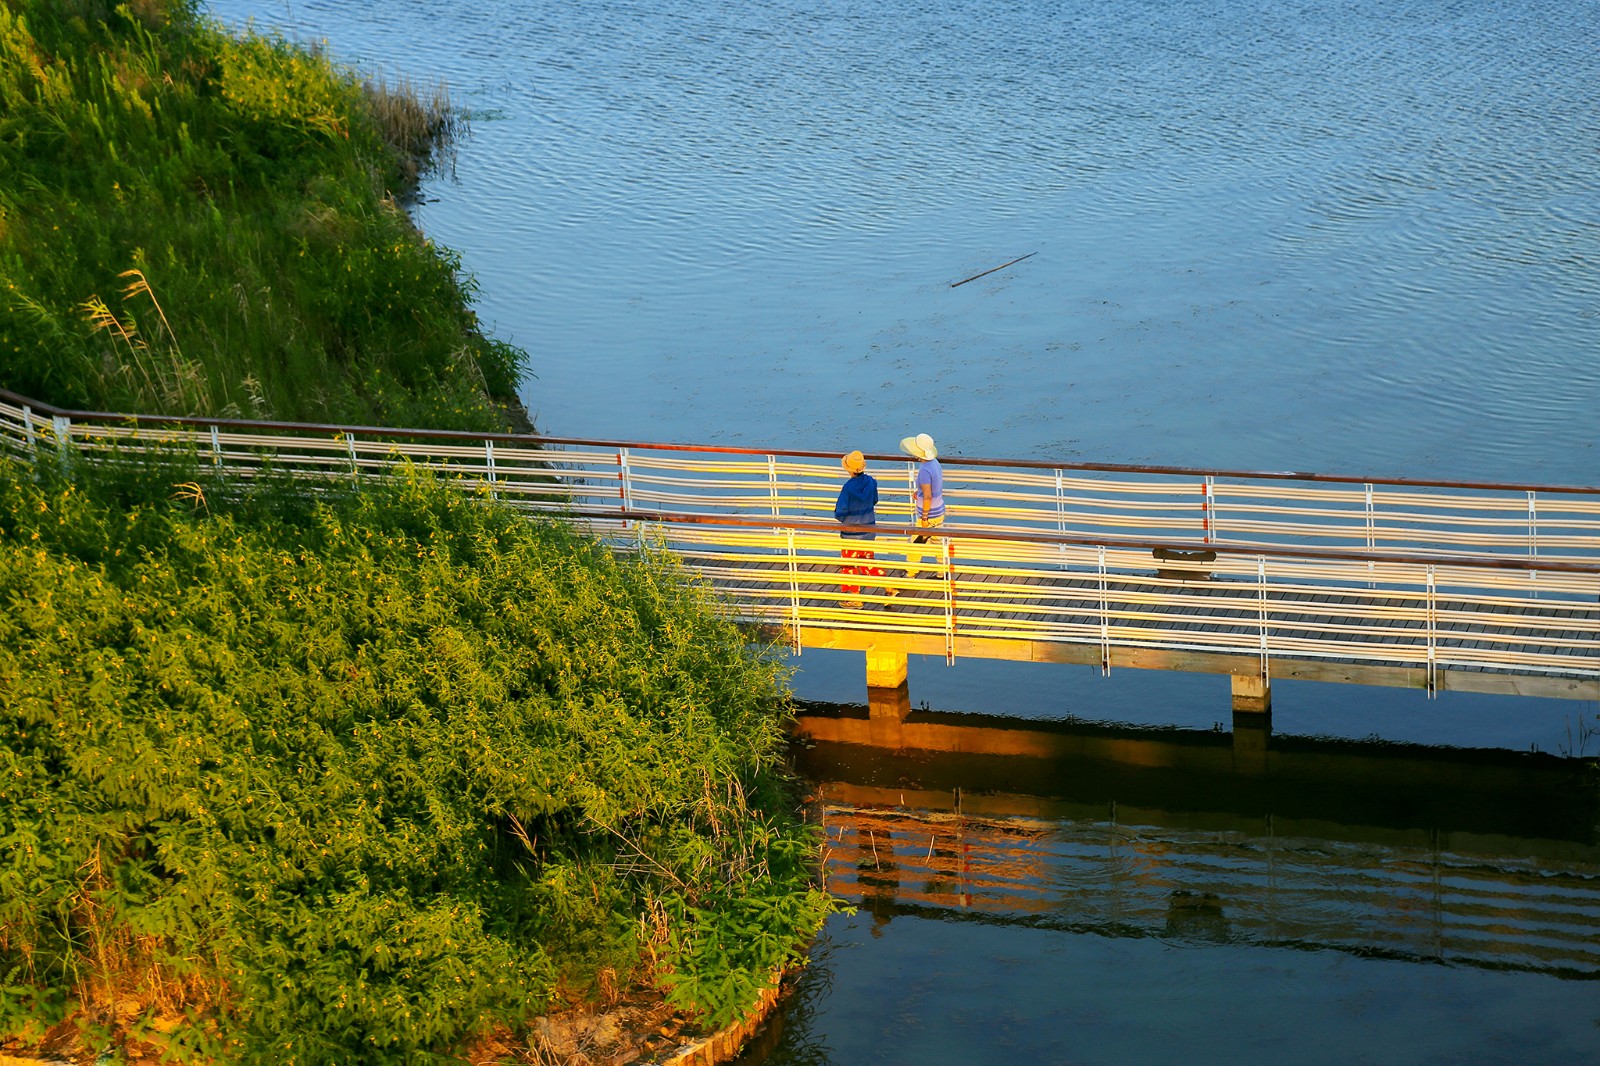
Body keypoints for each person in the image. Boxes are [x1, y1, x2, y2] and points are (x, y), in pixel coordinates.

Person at [834, 450, 887, 608]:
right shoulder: (871, 482)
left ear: (849, 469)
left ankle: (854, 597)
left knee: (849, 565)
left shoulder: (847, 488)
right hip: (868, 530)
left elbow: (840, 512)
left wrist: (842, 519)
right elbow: (875, 500)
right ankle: (889, 587)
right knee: (867, 562)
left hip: (851, 533)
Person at [900, 432, 944, 584]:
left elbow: (927, 496)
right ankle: (942, 572)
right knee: (938, 541)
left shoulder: (924, 470)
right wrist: (918, 492)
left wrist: (924, 517)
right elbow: (932, 488)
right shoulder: (935, 464)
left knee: (916, 542)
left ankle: (910, 573)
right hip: (939, 511)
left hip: (929, 514)